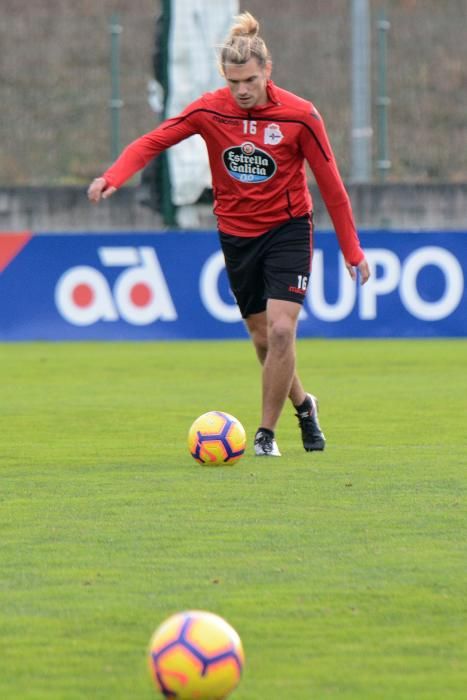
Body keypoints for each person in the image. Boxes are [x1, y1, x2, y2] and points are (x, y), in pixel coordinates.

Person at [88, 11, 370, 458]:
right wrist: (113, 176)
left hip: (288, 228)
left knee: (281, 332)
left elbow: (333, 187)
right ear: (225, 77)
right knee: (262, 339)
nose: (243, 90)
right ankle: (304, 405)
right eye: (235, 81)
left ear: (267, 71)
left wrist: (353, 251)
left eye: (251, 80)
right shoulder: (209, 109)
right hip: (237, 235)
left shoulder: (300, 117)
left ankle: (265, 435)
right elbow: (154, 140)